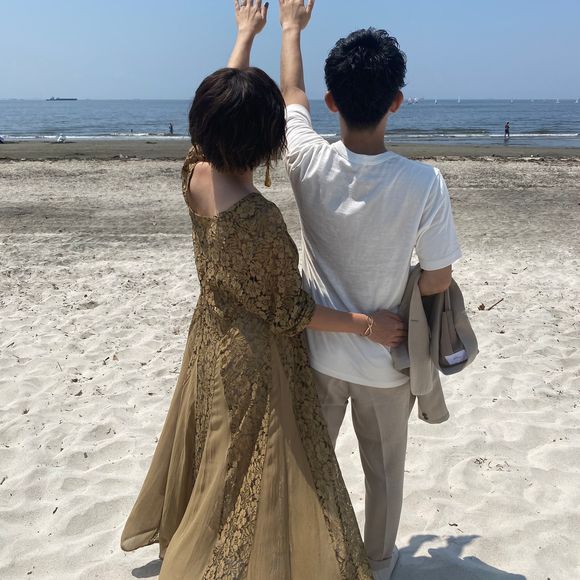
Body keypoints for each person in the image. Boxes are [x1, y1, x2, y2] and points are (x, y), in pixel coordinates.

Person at [120, 2, 402, 578]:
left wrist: (244, 35)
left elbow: (219, 114)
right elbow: (291, 311)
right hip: (254, 354)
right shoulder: (258, 218)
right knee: (254, 465)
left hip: (209, 336)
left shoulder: (196, 175)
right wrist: (366, 324)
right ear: (269, 140)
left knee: (214, 447)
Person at [279, 2, 462, 578]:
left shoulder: (305, 161)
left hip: (318, 352)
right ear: (396, 101)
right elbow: (438, 276)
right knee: (382, 473)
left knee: (313, 465)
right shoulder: (423, 182)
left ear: (332, 101)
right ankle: (378, 564)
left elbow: (291, 95)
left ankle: (307, 553)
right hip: (386, 360)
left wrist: (290, 29)